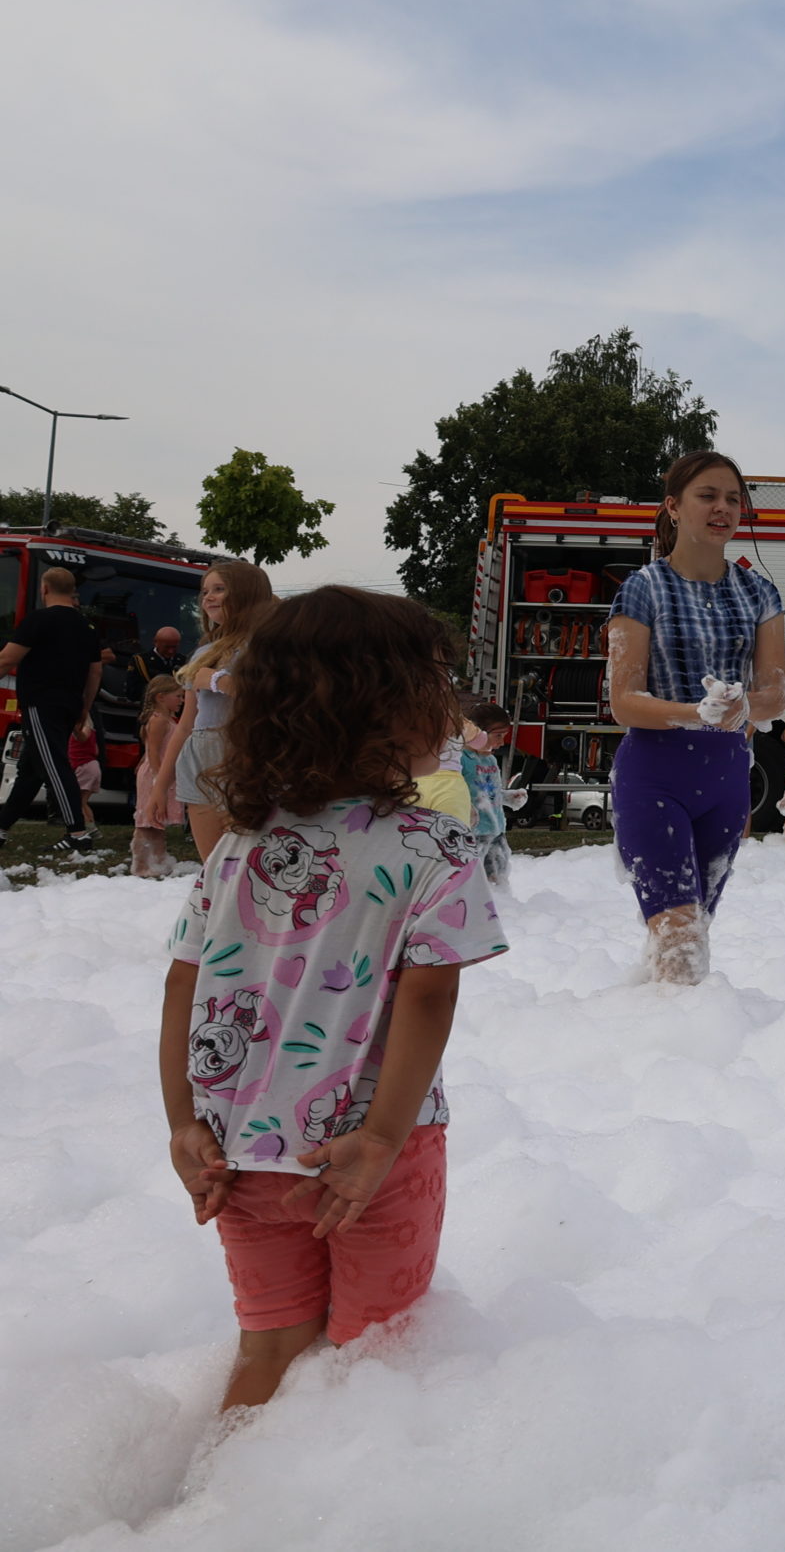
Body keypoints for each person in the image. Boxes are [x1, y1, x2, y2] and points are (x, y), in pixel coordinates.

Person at [156, 586, 509, 1413]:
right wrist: (382, 1136)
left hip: (234, 1146)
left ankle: (211, 1508)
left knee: (270, 1344)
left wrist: (182, 1120)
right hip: (373, 1151)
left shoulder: (242, 844)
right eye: (435, 681)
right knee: (374, 1356)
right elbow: (429, 996)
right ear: (390, 706)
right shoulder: (435, 844)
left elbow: (183, 980)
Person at [604, 451, 785, 987]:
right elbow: (623, 700)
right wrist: (696, 712)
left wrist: (743, 706)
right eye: (707, 496)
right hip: (654, 777)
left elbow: (775, 693)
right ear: (674, 507)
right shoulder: (642, 588)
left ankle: (668, 1045)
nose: (723, 508)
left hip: (727, 780)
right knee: (680, 940)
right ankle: (662, 1049)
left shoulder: (759, 591)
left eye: (733, 499)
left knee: (694, 934)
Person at [146, 561, 277, 866]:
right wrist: (160, 786)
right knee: (214, 870)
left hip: (245, 757)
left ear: (246, 593)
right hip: (199, 759)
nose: (208, 597)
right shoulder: (205, 651)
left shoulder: (267, 646)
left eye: (219, 589)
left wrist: (217, 680)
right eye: (205, 591)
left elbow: (273, 699)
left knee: (248, 866)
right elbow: (185, 726)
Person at [0, 565, 108, 851]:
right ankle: (1, 827)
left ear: (44, 589)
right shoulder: (87, 626)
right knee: (31, 770)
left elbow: (7, 659)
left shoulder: (39, 620)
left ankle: (77, 834)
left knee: (54, 765)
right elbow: (95, 672)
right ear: (72, 591)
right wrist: (83, 709)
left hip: (40, 702)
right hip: (70, 703)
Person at [132, 674, 185, 879]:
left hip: (163, 774)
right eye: (178, 696)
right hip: (156, 774)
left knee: (157, 822)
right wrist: (157, 779)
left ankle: (159, 859)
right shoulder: (158, 720)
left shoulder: (167, 719)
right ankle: (141, 864)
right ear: (161, 697)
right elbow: (153, 752)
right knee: (148, 821)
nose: (181, 701)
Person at [462, 702, 517, 887]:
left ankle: (501, 911)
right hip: (473, 835)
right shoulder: (460, 759)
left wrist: (507, 797)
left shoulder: (490, 759)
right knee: (474, 884)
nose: (501, 742)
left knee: (499, 881)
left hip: (497, 832)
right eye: (498, 735)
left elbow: (488, 792)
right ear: (476, 732)